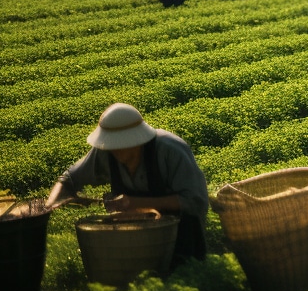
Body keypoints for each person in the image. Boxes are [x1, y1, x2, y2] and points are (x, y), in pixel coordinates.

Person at [46, 103, 208, 267]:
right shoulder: (106, 151)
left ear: (137, 141)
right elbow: (68, 179)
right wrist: (48, 207)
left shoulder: (170, 150)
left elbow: (195, 201)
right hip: (133, 243)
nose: (115, 151)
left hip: (180, 240)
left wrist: (136, 203)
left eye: (121, 145)